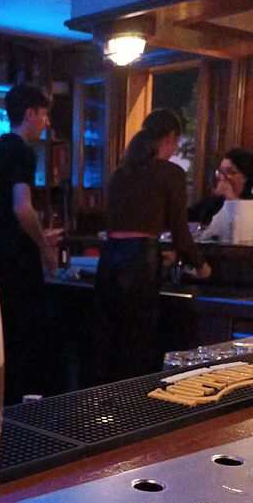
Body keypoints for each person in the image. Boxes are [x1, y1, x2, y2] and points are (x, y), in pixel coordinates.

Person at [94, 108, 211, 385]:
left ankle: (105, 413)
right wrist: (202, 266)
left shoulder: (120, 173)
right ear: (170, 137)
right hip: (140, 265)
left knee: (110, 343)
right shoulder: (171, 173)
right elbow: (181, 234)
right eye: (177, 143)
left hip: (109, 261)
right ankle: (137, 412)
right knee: (139, 345)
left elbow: (124, 227)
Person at [0, 84, 60, 405]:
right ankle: (30, 409)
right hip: (19, 255)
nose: (46, 122)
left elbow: (4, 213)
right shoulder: (23, 152)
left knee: (8, 333)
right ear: (30, 114)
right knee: (29, 333)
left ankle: (7, 408)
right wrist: (44, 246)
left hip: (0, 250)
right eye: (44, 115)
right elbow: (22, 206)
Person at [188, 148, 253, 228]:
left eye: (229, 171)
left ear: (245, 177)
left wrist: (230, 197)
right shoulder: (213, 202)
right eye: (220, 171)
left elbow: (246, 228)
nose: (222, 177)